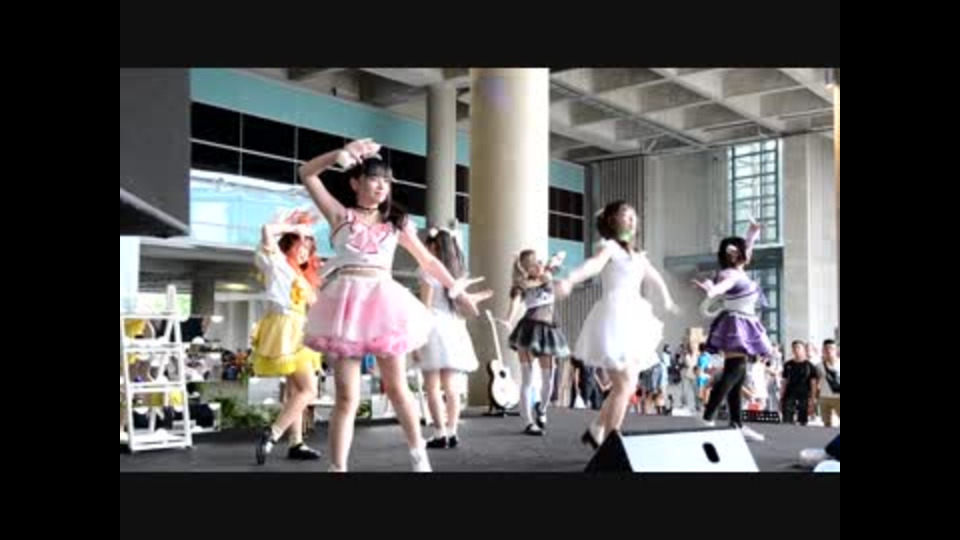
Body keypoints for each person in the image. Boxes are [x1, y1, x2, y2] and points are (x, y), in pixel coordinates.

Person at [298, 138, 490, 472]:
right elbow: (306, 173)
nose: (381, 187)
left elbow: (428, 261)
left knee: (398, 387)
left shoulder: (396, 223)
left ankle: (419, 458)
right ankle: (337, 468)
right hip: (345, 308)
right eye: (374, 179)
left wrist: (456, 289)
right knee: (346, 397)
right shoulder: (340, 215)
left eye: (386, 181)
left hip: (384, 304)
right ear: (355, 182)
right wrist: (341, 153)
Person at [555, 200, 679, 449]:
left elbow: (654, 276)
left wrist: (667, 299)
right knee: (625, 385)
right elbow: (593, 265)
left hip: (633, 318)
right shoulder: (610, 247)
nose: (632, 219)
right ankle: (612, 440)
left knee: (627, 384)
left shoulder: (638, 255)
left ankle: (598, 429)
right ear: (613, 221)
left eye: (634, 216)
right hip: (613, 317)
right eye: (626, 215)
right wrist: (569, 279)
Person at [251, 211, 324, 464]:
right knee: (308, 390)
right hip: (286, 328)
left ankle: (296, 443)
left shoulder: (302, 276)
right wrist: (294, 227)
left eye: (308, 249)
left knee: (295, 390)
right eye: (300, 246)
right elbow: (267, 230)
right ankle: (272, 434)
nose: (304, 252)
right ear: (288, 244)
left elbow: (314, 305)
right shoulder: (276, 263)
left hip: (299, 329)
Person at [694, 219, 770, 442]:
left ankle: (736, 423)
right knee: (735, 372)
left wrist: (753, 232)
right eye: (730, 252)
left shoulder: (740, 269)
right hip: (736, 323)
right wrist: (711, 290)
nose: (735, 254)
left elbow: (748, 247)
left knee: (738, 373)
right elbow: (722, 287)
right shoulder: (730, 274)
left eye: (737, 251)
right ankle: (708, 415)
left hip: (744, 321)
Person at [415, 227, 480, 448]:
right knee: (452, 387)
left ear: (434, 247)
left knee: (432, 386)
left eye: (427, 245)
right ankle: (452, 432)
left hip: (432, 329)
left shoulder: (428, 272)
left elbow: (425, 309)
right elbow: (464, 308)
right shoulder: (454, 275)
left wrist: (417, 341)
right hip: (452, 328)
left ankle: (439, 433)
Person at [503, 249, 570, 435]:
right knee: (527, 378)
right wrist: (508, 319)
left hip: (548, 330)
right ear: (527, 269)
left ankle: (542, 409)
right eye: (534, 264)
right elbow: (515, 302)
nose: (539, 265)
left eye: (539, 262)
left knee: (549, 377)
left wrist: (557, 258)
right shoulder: (521, 285)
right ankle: (528, 421)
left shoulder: (546, 275)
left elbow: (557, 259)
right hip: (527, 331)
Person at [781, 340, 819, 426]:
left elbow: (813, 384)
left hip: (804, 395)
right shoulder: (788, 364)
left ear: (803, 349)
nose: (796, 350)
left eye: (798, 348)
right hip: (789, 395)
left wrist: (813, 399)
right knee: (787, 419)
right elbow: (784, 381)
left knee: (802, 421)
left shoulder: (810, 366)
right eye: (794, 348)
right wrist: (781, 396)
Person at [816, 339, 840, 427]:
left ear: (836, 350)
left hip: (838, 397)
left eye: (831, 348)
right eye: (826, 349)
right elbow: (816, 382)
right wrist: (815, 397)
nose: (829, 351)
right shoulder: (819, 366)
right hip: (824, 397)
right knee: (826, 424)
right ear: (823, 350)